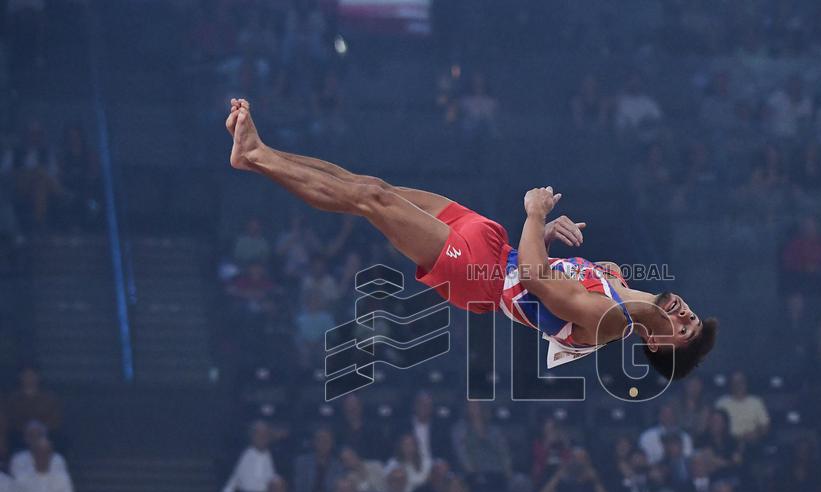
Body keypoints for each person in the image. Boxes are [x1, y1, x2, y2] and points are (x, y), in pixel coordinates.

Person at [226, 100, 716, 378]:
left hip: (478, 277)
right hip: (493, 246)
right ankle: (261, 151)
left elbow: (534, 280)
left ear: (658, 343)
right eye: (693, 316)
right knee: (374, 185)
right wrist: (541, 233)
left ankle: (256, 158)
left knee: (371, 198)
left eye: (686, 330)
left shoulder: (611, 323)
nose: (687, 316)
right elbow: (535, 270)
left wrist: (533, 212)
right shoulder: (614, 278)